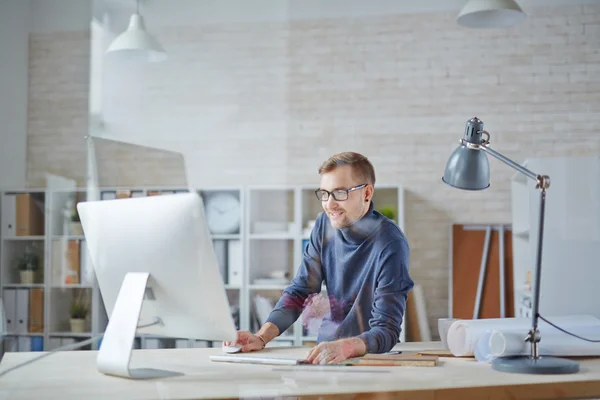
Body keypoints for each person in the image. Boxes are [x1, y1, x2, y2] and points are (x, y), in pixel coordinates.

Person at [225, 152, 414, 364]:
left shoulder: (391, 243)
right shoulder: (324, 225)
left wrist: (346, 347)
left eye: (340, 193)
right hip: (325, 354)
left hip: (367, 360)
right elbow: (301, 290)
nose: (329, 204)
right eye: (324, 194)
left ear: (367, 193)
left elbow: (386, 329)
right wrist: (261, 337)